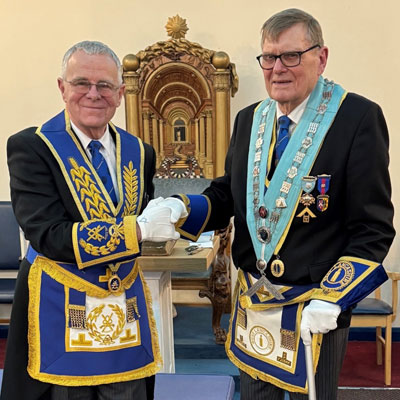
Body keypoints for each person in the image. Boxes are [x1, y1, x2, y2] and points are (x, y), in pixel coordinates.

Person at [152, 8, 395, 399]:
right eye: (269, 57)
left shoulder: (356, 118)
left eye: (291, 56)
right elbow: (228, 194)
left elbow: (373, 229)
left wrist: (332, 299)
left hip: (315, 307)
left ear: (322, 57)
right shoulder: (251, 119)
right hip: (255, 301)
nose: (278, 68)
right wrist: (182, 208)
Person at [2, 40, 180, 400]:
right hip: (59, 303)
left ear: (121, 93)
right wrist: (141, 229)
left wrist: (177, 207)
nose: (93, 94)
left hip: (123, 303)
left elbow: (142, 210)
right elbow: (48, 234)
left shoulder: (139, 151)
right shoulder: (32, 147)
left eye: (105, 86)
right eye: (82, 83)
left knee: (126, 391)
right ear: (62, 87)